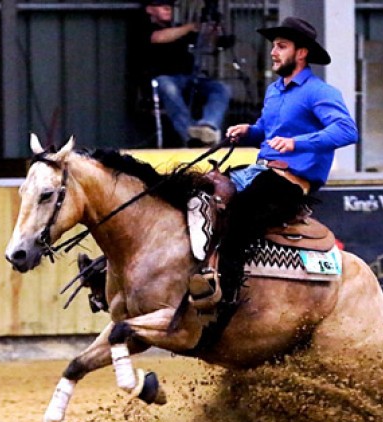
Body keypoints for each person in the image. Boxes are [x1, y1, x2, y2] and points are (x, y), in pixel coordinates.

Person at [186, 16, 359, 306]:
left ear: (301, 53)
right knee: (200, 188)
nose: (273, 52)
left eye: (281, 46)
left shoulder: (320, 92)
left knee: (240, 213)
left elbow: (347, 130)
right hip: (260, 172)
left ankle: (225, 296)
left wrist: (297, 143)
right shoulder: (275, 90)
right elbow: (269, 133)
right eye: (274, 46)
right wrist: (249, 132)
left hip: (290, 182)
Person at [138, 0, 231, 147]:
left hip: (189, 78)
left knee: (221, 88)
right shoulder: (143, 27)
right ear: (149, 9)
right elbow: (158, 37)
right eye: (162, 5)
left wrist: (211, 30)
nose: (167, 8)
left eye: (169, 6)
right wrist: (190, 27)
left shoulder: (178, 28)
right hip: (163, 78)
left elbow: (207, 44)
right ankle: (190, 136)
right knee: (167, 86)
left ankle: (208, 127)